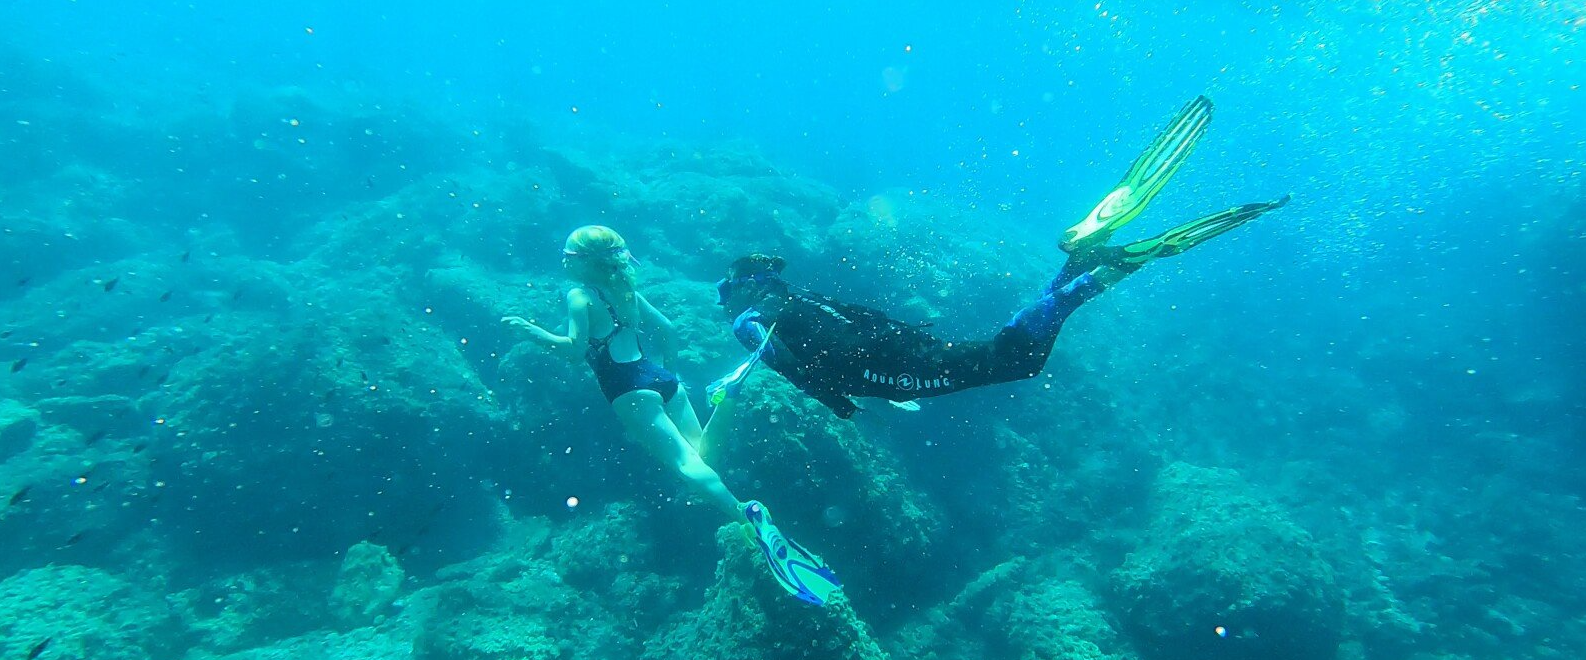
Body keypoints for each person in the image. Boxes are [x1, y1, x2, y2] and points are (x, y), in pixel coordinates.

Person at [710, 96, 1289, 419]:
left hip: (893, 363)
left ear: (746, 283)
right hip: (899, 354)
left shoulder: (753, 317)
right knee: (1004, 354)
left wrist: (819, 397)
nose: (723, 300)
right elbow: (833, 338)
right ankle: (1082, 263)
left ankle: (1098, 272)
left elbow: (777, 355)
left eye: (725, 288)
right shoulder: (791, 298)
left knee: (1014, 358)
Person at [503, 225, 842, 606]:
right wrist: (669, 373)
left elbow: (572, 350)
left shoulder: (580, 295)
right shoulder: (625, 291)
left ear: (584, 263)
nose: (564, 261)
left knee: (685, 466)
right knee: (704, 458)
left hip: (627, 387)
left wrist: (529, 331)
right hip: (660, 377)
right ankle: (726, 397)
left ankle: (744, 513)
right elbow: (667, 328)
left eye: (569, 256)